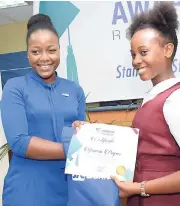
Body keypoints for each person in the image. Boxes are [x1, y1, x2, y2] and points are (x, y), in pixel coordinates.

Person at [73, 2, 180, 206]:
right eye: (133, 54)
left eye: (143, 52)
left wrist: (140, 188)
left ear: (168, 49)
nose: (136, 61)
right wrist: (91, 135)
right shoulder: (153, 97)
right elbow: (142, 146)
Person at [1, 14, 86, 206]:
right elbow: (19, 142)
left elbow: (82, 136)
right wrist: (72, 150)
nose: (44, 58)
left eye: (51, 50)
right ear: (27, 53)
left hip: (68, 190)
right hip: (28, 191)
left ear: (59, 50)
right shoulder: (15, 87)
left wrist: (83, 130)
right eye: (36, 52)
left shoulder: (74, 90)